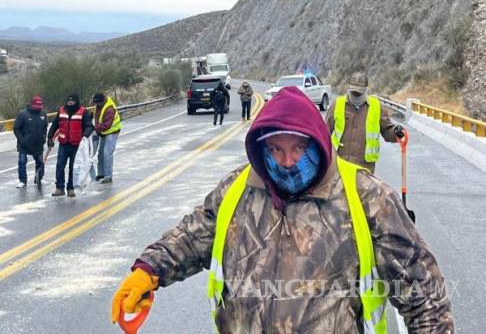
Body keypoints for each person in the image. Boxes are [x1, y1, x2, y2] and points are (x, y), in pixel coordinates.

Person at [112, 86, 454, 333]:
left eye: (299, 148)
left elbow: (425, 296)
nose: (287, 162)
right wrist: (148, 270)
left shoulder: (367, 198)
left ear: (318, 143)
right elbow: (195, 234)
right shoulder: (239, 189)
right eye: (275, 149)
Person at [327, 71, 405, 173]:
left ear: (365, 90)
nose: (356, 95)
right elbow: (324, 132)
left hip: (364, 167)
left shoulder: (376, 106)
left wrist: (396, 132)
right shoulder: (337, 105)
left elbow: (387, 130)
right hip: (340, 164)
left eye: (358, 93)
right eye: (353, 93)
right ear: (348, 88)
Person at [48, 93, 93, 198]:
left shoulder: (83, 112)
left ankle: (71, 188)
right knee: (60, 166)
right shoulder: (61, 111)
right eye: (69, 101)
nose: (70, 103)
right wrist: (50, 138)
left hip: (77, 145)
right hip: (63, 144)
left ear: (76, 102)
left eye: (72, 101)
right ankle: (59, 188)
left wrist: (85, 136)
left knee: (74, 167)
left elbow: (89, 126)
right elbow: (54, 125)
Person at [13, 96, 48, 188]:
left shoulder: (43, 114)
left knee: (40, 162)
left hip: (38, 144)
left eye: (40, 106)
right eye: (37, 105)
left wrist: (44, 138)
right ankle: (22, 181)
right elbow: (16, 128)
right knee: (22, 162)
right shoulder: (22, 114)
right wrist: (22, 139)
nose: (38, 107)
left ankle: (39, 178)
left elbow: (45, 127)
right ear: (32, 104)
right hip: (24, 144)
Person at [92, 92, 121, 184]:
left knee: (107, 154)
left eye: (98, 103)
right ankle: (101, 173)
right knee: (100, 153)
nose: (97, 105)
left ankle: (108, 176)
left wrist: (95, 129)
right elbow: (97, 118)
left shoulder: (109, 109)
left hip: (112, 132)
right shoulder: (99, 105)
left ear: (102, 101)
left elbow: (107, 125)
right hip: (104, 133)